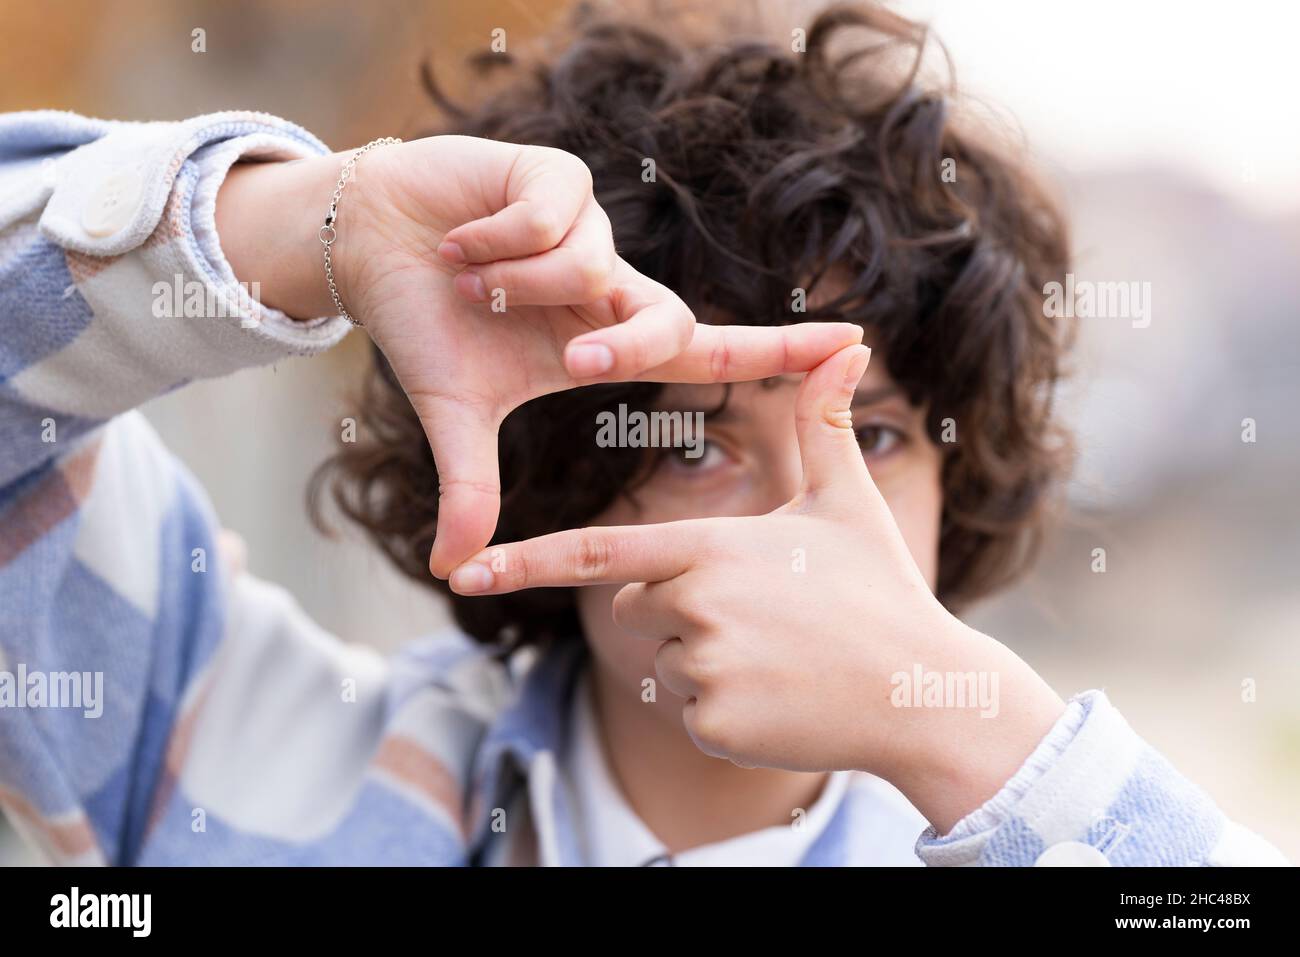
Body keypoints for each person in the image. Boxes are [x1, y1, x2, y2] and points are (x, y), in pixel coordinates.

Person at [0, 3, 1285, 866]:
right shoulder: (231, 732)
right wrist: (311, 223)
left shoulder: (1036, 815)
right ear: (546, 470)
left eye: (876, 436)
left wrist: (967, 733)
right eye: (692, 442)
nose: (798, 532)